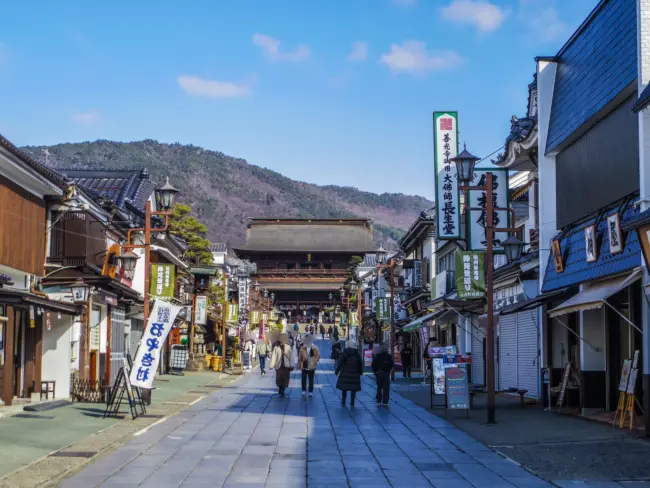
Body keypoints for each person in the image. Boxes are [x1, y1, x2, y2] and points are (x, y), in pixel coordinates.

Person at [335, 340, 363, 407]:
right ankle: (352, 402)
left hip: (345, 372)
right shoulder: (357, 354)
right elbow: (360, 364)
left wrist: (337, 371)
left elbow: (340, 363)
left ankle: (343, 400)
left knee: (344, 388)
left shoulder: (345, 353)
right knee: (353, 389)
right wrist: (360, 372)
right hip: (355, 373)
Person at [372, 343, 394, 407]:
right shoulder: (389, 356)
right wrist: (388, 370)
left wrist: (375, 371)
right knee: (386, 388)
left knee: (379, 387)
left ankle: (379, 400)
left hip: (379, 373)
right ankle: (385, 401)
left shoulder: (378, 355)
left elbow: (374, 365)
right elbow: (391, 364)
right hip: (386, 373)